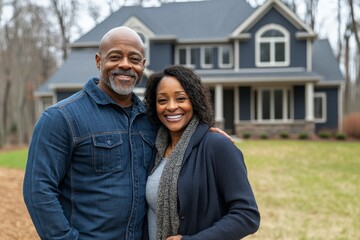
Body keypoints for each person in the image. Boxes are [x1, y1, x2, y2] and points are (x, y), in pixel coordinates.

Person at [23, 26, 232, 240]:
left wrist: (208, 135)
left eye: (134, 58)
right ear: (98, 61)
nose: (125, 64)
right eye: (115, 57)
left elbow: (182, 134)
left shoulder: (151, 120)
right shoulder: (62, 118)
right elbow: (39, 191)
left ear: (143, 65)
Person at [144, 65, 260, 240]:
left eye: (181, 98)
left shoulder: (217, 146)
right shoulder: (155, 149)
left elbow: (247, 216)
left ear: (195, 101)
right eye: (162, 101)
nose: (171, 107)